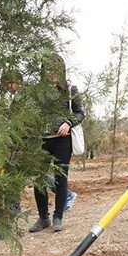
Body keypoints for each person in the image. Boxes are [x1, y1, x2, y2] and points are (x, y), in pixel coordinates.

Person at [29, 54, 85, 233]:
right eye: (48, 68)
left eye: (55, 68)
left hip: (62, 141)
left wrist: (68, 123)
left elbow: (80, 112)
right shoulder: (37, 92)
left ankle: (58, 217)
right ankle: (43, 217)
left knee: (61, 179)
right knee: (39, 180)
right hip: (41, 141)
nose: (51, 73)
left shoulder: (70, 90)